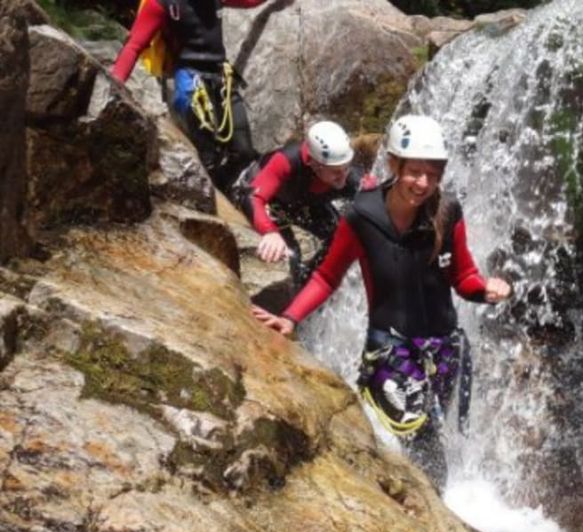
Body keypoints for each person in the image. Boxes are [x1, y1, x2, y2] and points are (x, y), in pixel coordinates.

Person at [252, 114, 512, 488]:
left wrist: (486, 290)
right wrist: (290, 317)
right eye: (415, 172)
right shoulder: (362, 215)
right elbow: (327, 275)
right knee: (424, 444)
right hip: (390, 350)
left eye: (433, 174)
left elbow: (463, 277)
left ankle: (417, 504)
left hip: (443, 349)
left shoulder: (447, 212)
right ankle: (434, 522)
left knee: (430, 433)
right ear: (394, 164)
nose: (424, 183)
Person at [111, 0, 266, 190]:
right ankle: (210, 193)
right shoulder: (161, 3)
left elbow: (250, 1)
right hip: (189, 77)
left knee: (244, 151)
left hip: (220, 75)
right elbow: (134, 45)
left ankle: (225, 190)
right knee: (209, 155)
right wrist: (115, 84)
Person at [236, 120, 376, 283]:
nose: (343, 176)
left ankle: (309, 283)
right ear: (313, 163)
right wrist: (270, 232)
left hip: (303, 203)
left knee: (339, 236)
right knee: (290, 256)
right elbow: (252, 197)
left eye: (346, 167)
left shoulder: (352, 179)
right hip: (267, 197)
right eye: (336, 171)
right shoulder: (287, 160)